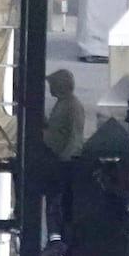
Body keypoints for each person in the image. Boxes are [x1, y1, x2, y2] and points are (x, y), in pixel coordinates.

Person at [42, 69, 85, 246]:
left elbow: (74, 136)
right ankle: (55, 238)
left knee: (58, 202)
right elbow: (55, 131)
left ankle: (59, 239)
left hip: (64, 163)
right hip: (55, 159)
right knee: (53, 200)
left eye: (53, 84)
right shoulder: (62, 104)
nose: (50, 87)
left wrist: (66, 159)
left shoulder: (72, 106)